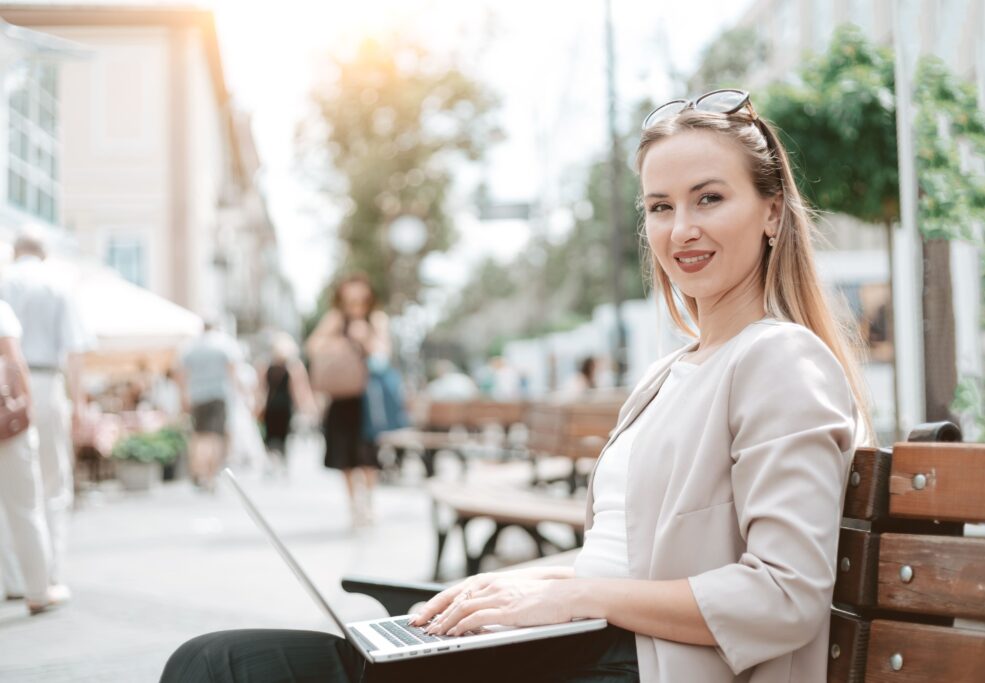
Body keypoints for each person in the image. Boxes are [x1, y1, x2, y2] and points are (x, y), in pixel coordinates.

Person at [161, 89, 871, 682]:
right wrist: (528, 585)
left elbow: (785, 595)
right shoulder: (670, 372)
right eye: (659, 206)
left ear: (772, 211)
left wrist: (574, 597)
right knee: (219, 659)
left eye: (708, 198)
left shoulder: (781, 359)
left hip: (653, 665)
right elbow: (620, 553)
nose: (680, 228)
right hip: (589, 644)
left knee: (224, 666)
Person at [0, 230, 92, 597]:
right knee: (52, 484)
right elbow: (75, 350)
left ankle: (12, 580)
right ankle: (49, 574)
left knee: (7, 488)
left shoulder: (2, 282)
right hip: (41, 381)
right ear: (44, 253)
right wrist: (80, 403)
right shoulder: (59, 284)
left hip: (2, 391)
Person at [0, 298, 69, 615]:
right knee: (26, 508)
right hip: (7, 427)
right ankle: (39, 592)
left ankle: (12, 583)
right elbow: (13, 362)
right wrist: (26, 408)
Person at [306, 275, 389, 526]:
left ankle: (370, 502)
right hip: (342, 397)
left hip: (368, 398)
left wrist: (365, 339)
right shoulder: (334, 319)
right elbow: (312, 346)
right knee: (346, 457)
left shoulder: (377, 320)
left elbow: (385, 354)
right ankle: (354, 506)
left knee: (368, 456)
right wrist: (339, 343)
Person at [176, 322, 241, 491]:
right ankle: (211, 475)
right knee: (215, 437)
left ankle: (199, 472)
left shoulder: (191, 346)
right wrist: (234, 393)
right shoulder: (224, 344)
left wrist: (184, 395)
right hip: (218, 395)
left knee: (199, 436)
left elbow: (181, 372)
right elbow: (232, 369)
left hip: (197, 396)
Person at [259, 333, 316, 477]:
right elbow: (299, 389)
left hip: (270, 406)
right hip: (285, 407)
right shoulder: (293, 367)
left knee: (271, 435)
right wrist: (306, 406)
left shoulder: (266, 366)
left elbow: (260, 388)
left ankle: (273, 461)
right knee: (283, 435)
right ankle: (281, 462)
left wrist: (259, 404)